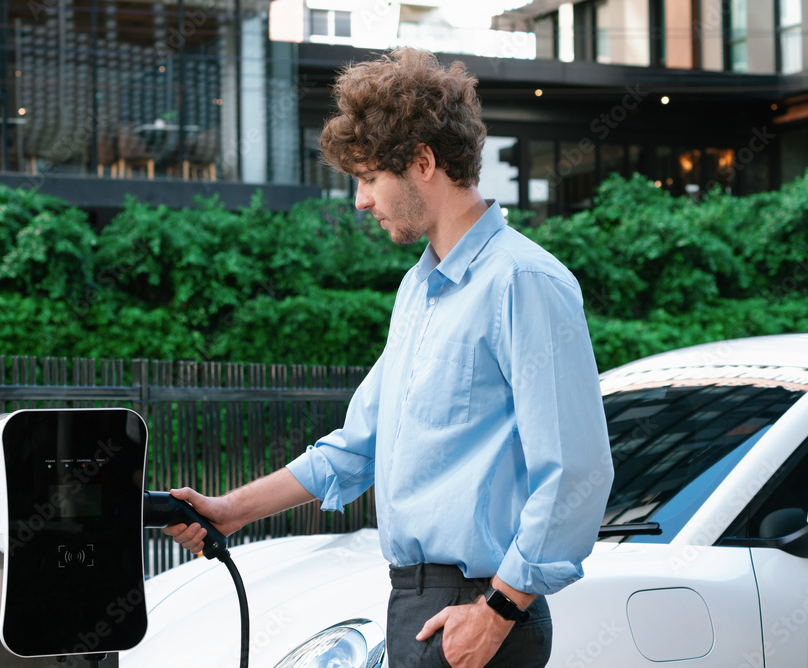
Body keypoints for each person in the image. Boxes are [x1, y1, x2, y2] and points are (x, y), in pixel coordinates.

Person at [164, 48, 613, 668]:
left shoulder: (524, 282)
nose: (359, 201)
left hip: (479, 611)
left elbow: (574, 471)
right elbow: (359, 444)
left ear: (423, 162)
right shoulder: (418, 292)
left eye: (369, 177)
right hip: (413, 606)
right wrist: (229, 511)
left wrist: (499, 612)